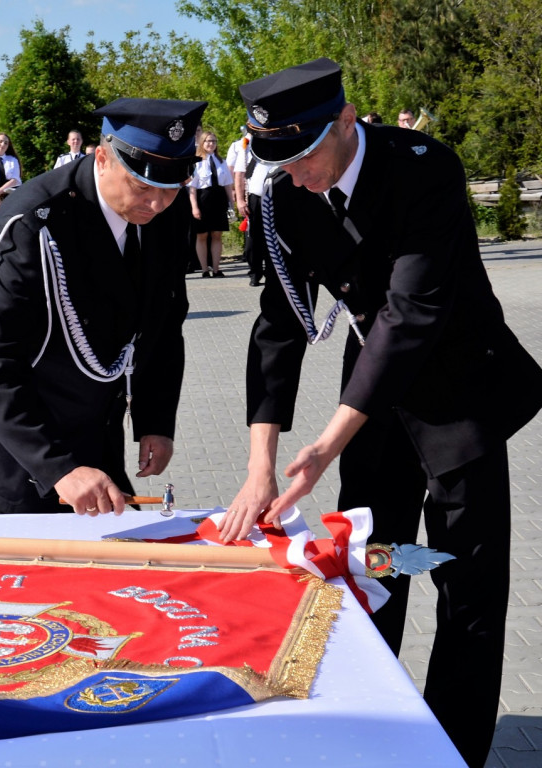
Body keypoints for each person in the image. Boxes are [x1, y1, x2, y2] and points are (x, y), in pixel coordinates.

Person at [220, 58, 542, 768]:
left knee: (466, 584)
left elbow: (410, 315)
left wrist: (321, 449)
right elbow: (279, 325)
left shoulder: (424, 167)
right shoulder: (283, 193)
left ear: (345, 120)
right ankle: (376, 733)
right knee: (370, 567)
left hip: (460, 394)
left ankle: (455, 749)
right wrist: (261, 465)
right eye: (277, 159)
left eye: (304, 156)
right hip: (373, 403)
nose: (296, 174)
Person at [0, 98, 204, 516]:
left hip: (93, 430)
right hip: (15, 446)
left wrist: (156, 420)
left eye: (171, 188)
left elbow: (165, 321)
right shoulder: (34, 220)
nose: (156, 203)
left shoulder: (165, 217)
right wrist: (59, 468)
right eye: (141, 186)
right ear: (102, 158)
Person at [187, 130, 234, 277]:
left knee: (217, 234)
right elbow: (192, 187)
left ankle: (216, 268)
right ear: (202, 143)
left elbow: (227, 184)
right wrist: (194, 207)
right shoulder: (196, 161)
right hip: (203, 199)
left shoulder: (221, 161)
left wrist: (231, 204)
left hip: (219, 199)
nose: (211, 144)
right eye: (208, 141)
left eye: (213, 141)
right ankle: (204, 270)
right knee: (202, 235)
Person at [232, 132, 273, 286]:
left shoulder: (276, 138)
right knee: (254, 238)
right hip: (255, 197)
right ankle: (255, 272)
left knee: (273, 238)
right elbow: (239, 174)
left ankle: (273, 272)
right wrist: (241, 200)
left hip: (274, 196)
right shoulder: (247, 144)